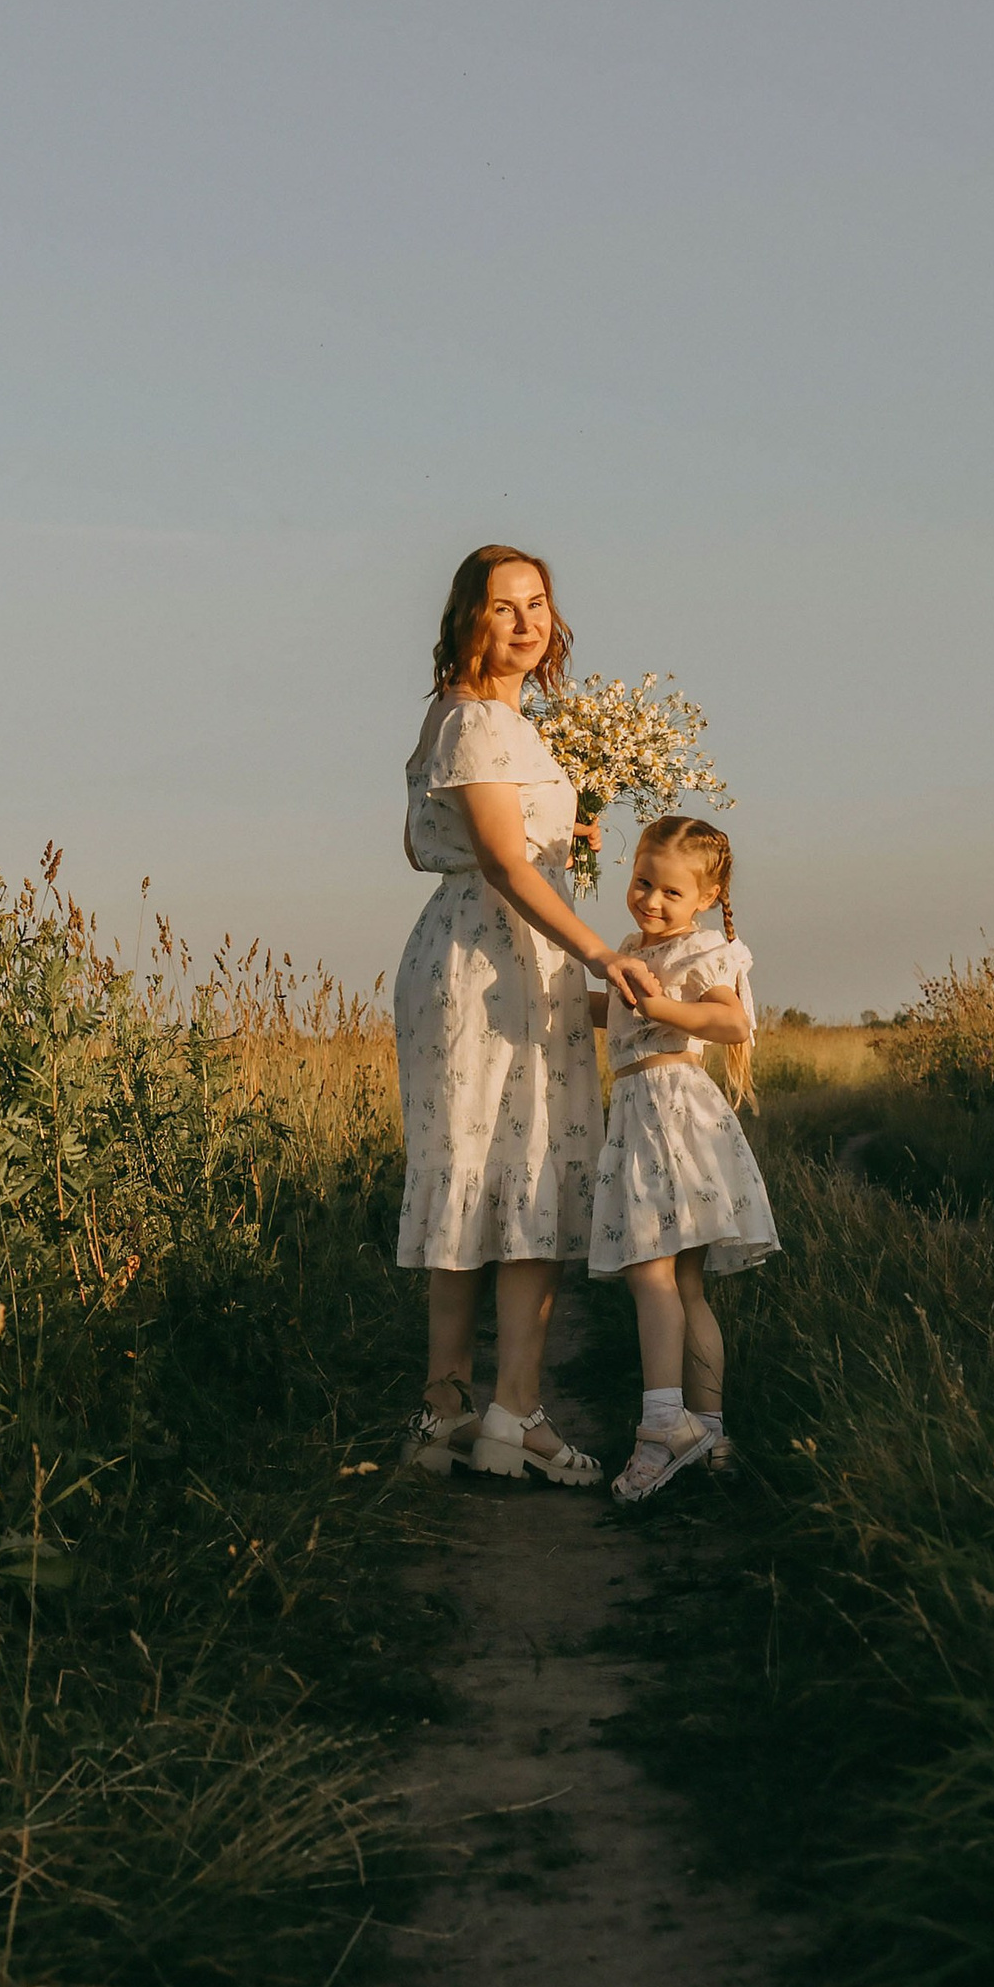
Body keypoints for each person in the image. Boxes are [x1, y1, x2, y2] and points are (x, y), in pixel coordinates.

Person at [396, 544, 654, 1484]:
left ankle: (451, 1414)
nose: (526, 622)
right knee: (518, 1171)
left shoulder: (471, 718)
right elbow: (503, 862)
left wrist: (557, 838)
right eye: (504, 606)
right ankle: (510, 1413)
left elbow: (427, 843)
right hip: (491, 963)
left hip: (482, 950)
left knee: (480, 1174)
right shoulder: (474, 720)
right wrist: (600, 953)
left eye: (537, 603)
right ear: (469, 618)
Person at [585, 816, 779, 1503]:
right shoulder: (630, 949)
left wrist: (665, 1004)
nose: (652, 900)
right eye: (643, 882)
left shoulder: (700, 949)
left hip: (671, 1114)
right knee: (684, 1287)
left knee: (653, 1275)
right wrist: (566, 1002)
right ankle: (711, 1435)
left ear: (706, 896)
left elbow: (731, 1022)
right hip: (643, 1113)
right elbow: (622, 1013)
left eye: (671, 891)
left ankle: (664, 1428)